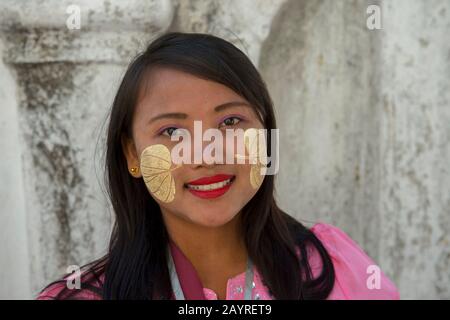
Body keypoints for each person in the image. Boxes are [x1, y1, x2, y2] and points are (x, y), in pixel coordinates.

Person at [37, 32, 399, 300]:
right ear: (133, 156)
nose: (208, 154)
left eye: (230, 123)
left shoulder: (336, 268)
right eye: (173, 131)